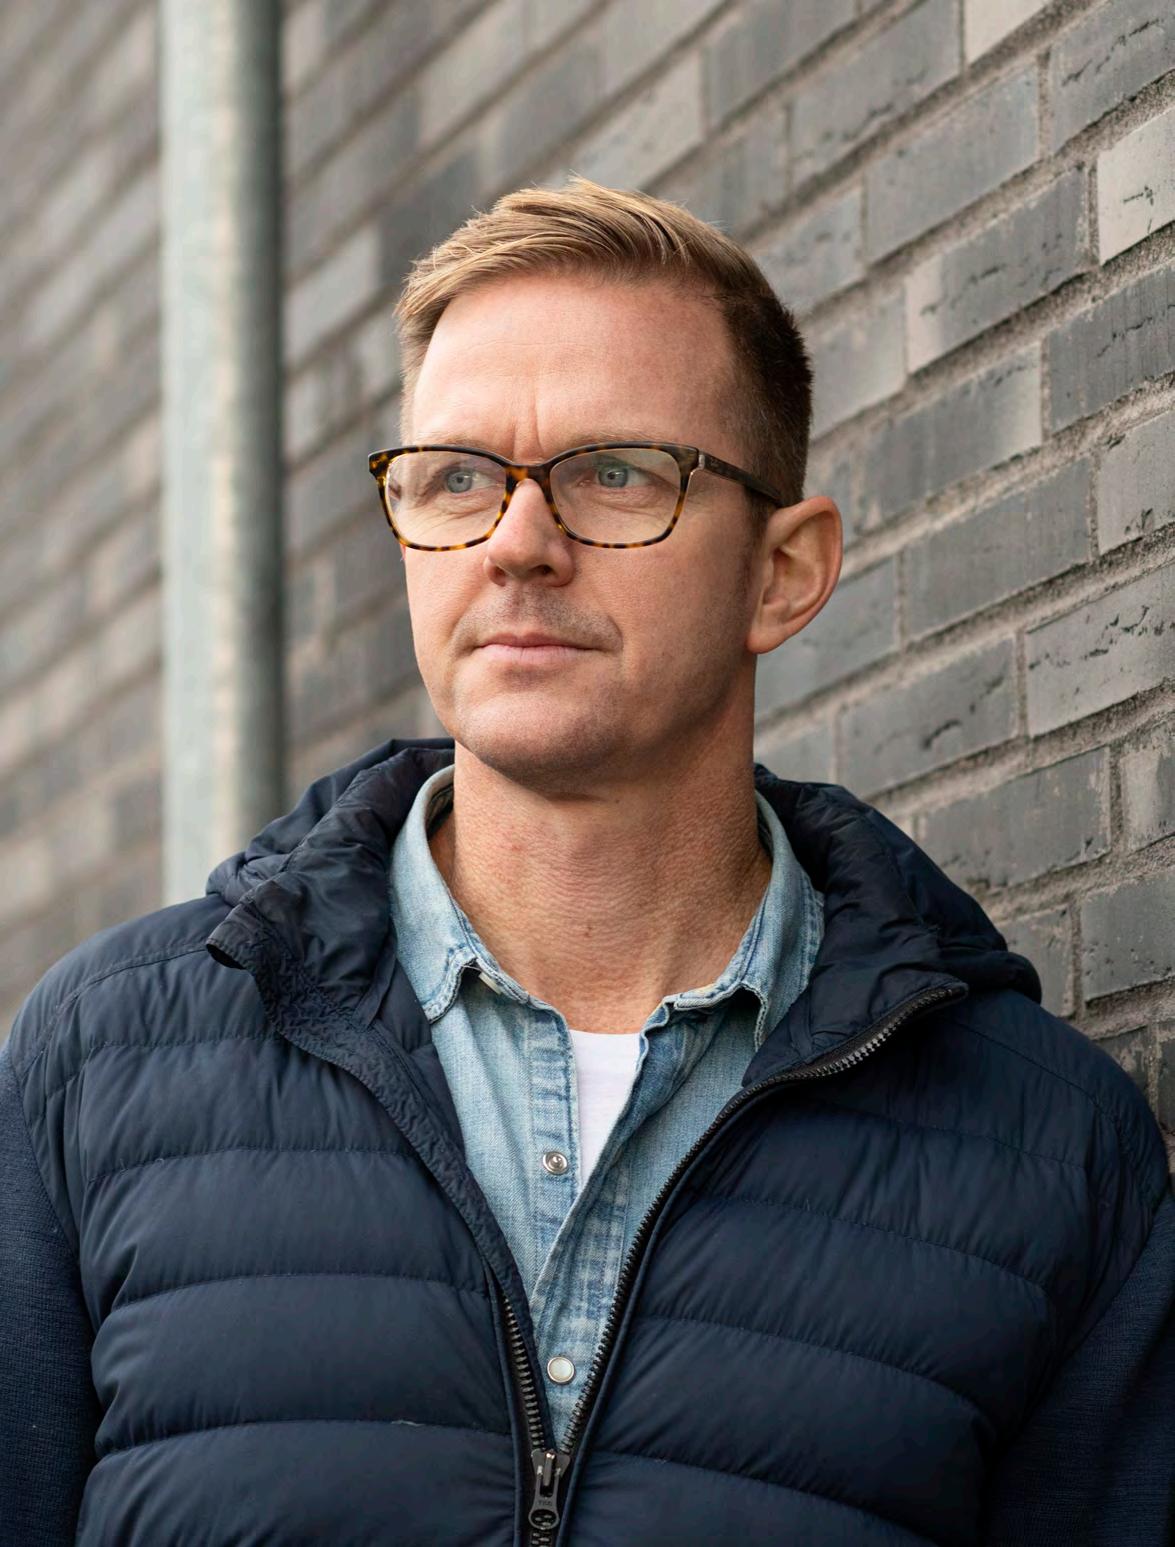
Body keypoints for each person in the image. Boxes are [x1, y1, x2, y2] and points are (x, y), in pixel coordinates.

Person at [2, 176, 1171, 1546]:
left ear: (784, 573)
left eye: (616, 474)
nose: (517, 545)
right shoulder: (99, 1067)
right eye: (456, 478)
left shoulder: (1048, 1149)